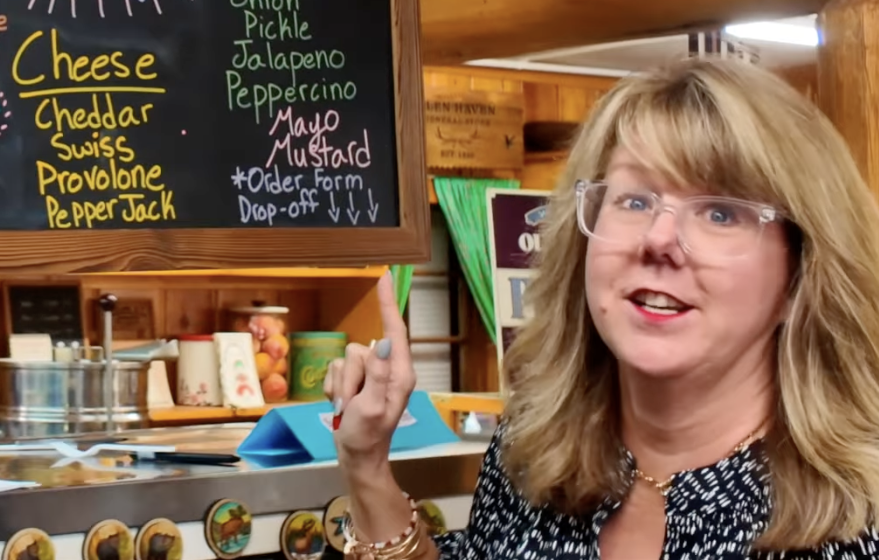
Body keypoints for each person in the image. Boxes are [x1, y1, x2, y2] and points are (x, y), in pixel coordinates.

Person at [325, 56, 879, 559]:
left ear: (798, 273)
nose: (660, 239)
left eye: (719, 213)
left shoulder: (859, 516)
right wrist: (368, 465)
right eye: (635, 200)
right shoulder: (532, 448)